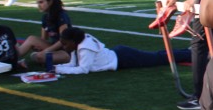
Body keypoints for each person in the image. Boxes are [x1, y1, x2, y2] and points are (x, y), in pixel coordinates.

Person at [53, 26, 189, 74]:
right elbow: (73, 64)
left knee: (157, 58)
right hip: (120, 54)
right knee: (156, 56)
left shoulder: (85, 49)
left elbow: (83, 69)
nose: (64, 47)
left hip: (124, 58)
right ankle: (187, 51)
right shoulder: (79, 45)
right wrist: (56, 68)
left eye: (65, 44)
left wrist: (58, 70)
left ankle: (189, 53)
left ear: (73, 42)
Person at [16, 0, 72, 66]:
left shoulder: (61, 16)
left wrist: (46, 50)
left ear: (50, 2)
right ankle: (11, 57)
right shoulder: (45, 17)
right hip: (54, 48)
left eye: (41, 2)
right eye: (38, 3)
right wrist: (38, 47)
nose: (39, 6)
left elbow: (63, 40)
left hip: (65, 51)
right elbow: (43, 39)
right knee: (32, 39)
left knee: (38, 56)